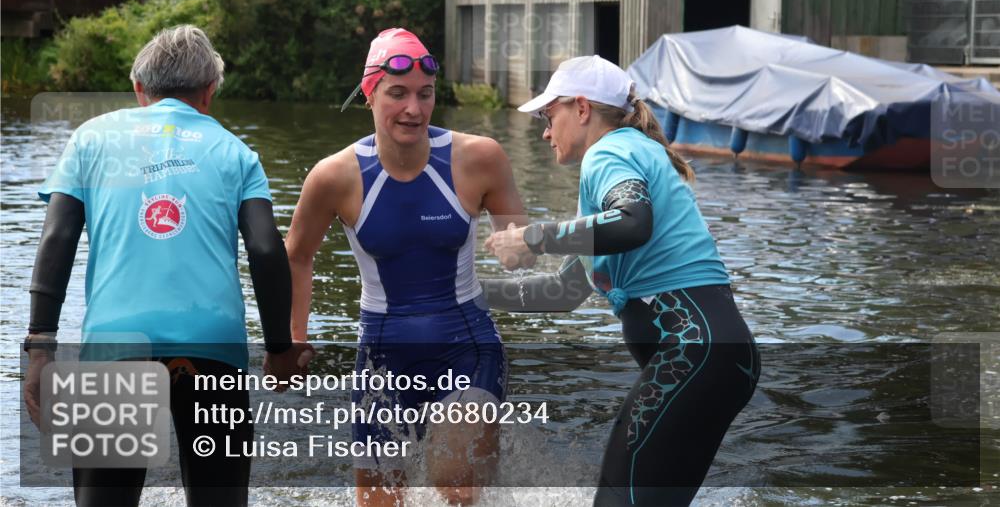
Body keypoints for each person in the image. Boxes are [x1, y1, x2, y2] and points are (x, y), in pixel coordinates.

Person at [23, 25, 310, 507]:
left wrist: (40, 349)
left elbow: (57, 239)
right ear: (209, 92)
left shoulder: (90, 139)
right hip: (212, 349)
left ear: (140, 88)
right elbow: (265, 250)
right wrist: (279, 347)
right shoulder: (237, 154)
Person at [486, 55, 760, 507]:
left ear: (581, 108)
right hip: (723, 359)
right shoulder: (631, 156)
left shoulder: (609, 152)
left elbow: (634, 221)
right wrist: (470, 295)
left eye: (547, 115)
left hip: (693, 354)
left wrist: (533, 238)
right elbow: (563, 291)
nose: (545, 131)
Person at [285, 27, 531, 507]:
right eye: (397, 94)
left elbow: (520, 239)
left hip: (467, 348)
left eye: (425, 94)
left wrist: (518, 246)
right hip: (381, 358)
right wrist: (295, 337)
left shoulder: (479, 157)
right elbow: (297, 254)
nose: (413, 109)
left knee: (453, 478)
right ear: (370, 95)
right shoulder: (335, 176)